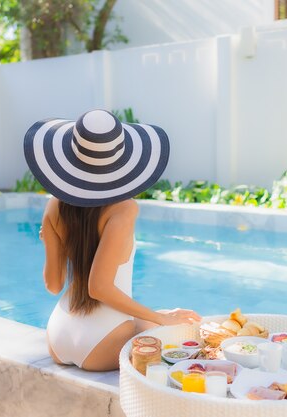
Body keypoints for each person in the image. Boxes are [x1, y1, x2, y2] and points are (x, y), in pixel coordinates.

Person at [23, 109, 201, 371]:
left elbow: (53, 284)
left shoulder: (54, 206)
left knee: (160, 317)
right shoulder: (123, 209)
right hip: (102, 342)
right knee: (187, 333)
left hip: (58, 338)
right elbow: (99, 287)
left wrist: (50, 241)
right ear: (121, 159)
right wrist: (161, 319)